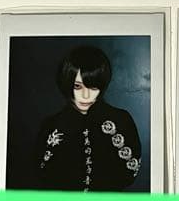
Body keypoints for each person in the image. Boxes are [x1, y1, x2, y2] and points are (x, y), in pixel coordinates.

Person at [27, 45, 142, 193]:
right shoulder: (52, 126)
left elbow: (130, 171)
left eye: (93, 87)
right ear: (68, 84)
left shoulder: (120, 120)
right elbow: (41, 173)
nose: (86, 95)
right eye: (78, 86)